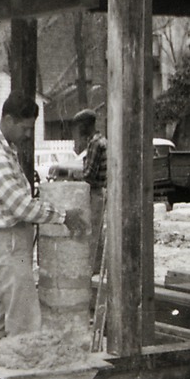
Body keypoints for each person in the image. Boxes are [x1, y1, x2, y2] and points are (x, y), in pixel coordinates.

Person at [0, 91, 87, 340]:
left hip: (12, 242)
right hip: (8, 243)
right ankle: (23, 372)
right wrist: (63, 215)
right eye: (25, 128)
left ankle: (0, 365)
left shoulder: (6, 150)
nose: (28, 135)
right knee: (25, 320)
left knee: (8, 316)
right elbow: (20, 206)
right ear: (9, 119)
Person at [71, 108, 107, 268]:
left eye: (79, 127)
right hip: (100, 192)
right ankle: (96, 267)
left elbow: (89, 175)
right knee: (97, 232)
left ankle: (91, 268)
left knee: (92, 233)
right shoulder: (101, 140)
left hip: (96, 193)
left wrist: (72, 174)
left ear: (85, 126)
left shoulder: (94, 144)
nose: (78, 131)